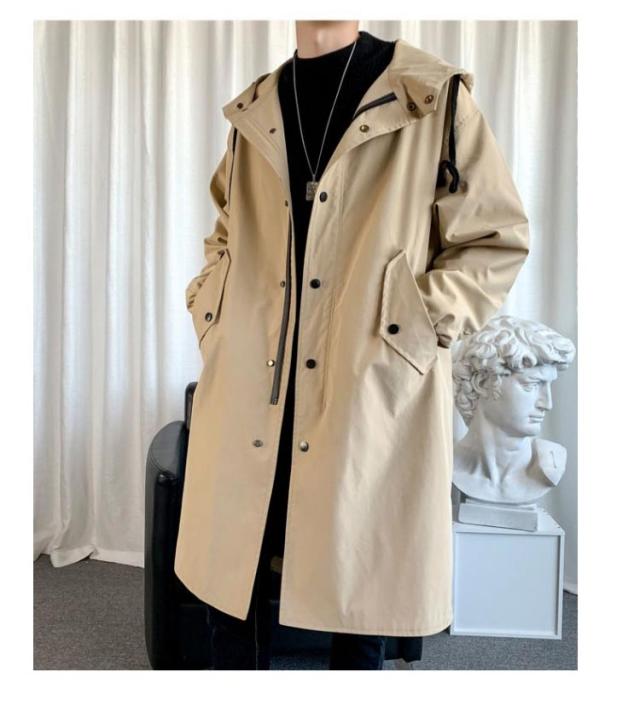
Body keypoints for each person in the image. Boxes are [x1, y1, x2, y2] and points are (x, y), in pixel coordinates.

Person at [211, 22, 395, 670]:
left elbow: (490, 238)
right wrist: (214, 315)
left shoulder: (428, 94)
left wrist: (409, 328)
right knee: (237, 565)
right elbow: (224, 231)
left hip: (361, 372)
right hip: (253, 373)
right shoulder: (257, 106)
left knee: (358, 567)